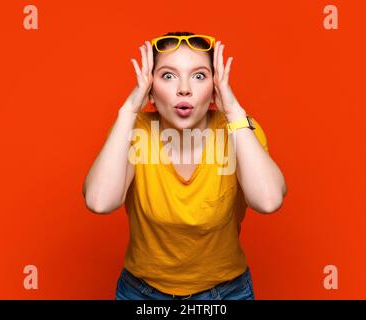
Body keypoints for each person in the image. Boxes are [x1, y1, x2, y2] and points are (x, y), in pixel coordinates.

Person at [83, 31, 287, 300]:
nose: (184, 88)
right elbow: (99, 202)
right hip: (142, 294)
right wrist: (128, 111)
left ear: (214, 88)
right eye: (168, 75)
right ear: (151, 91)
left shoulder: (238, 129)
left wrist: (234, 110)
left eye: (199, 75)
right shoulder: (134, 131)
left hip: (226, 294)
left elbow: (269, 200)